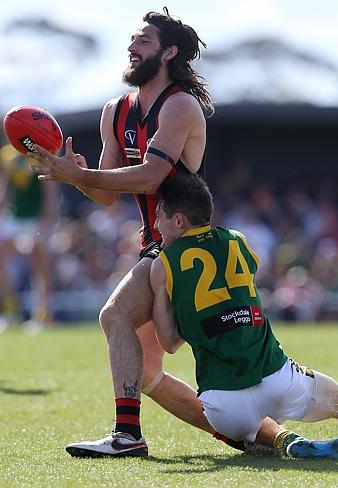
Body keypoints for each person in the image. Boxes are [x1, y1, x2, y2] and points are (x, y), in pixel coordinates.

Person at [31, 8, 320, 459]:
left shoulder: (181, 105)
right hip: (157, 246)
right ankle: (265, 438)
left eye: (143, 40)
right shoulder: (115, 111)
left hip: (188, 245)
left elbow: (149, 177)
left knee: (114, 316)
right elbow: (107, 194)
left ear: (168, 52)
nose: (132, 45)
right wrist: (77, 174)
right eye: (132, 38)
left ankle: (127, 437)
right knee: (145, 373)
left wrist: (74, 177)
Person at [149, 172, 338, 460]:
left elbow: (169, 343)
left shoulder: (162, 265)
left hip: (223, 407)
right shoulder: (238, 240)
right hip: (278, 380)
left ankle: (281, 441)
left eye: (159, 216)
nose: (154, 224)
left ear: (178, 221)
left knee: (250, 435)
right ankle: (283, 436)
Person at [0, 144, 57, 331]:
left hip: (36, 217)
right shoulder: (7, 155)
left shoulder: (39, 155)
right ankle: (10, 311)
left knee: (39, 265)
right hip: (15, 216)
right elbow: (8, 188)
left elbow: (49, 190)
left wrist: (48, 217)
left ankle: (43, 314)